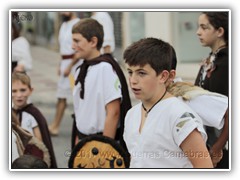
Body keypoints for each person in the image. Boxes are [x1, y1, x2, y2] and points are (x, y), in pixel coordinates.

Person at [123, 37, 213, 168]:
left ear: (164, 76)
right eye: (130, 72)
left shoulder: (180, 117)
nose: (133, 80)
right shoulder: (131, 115)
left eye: (141, 73)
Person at [71, 18, 131, 151]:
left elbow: (113, 112)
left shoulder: (106, 68)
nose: (72, 46)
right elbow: (79, 112)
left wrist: (104, 150)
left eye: (77, 41)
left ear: (93, 41)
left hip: (100, 144)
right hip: (83, 142)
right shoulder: (80, 70)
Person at [194, 12, 229, 168]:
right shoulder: (212, 59)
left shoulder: (227, 63)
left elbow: (230, 109)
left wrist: (217, 147)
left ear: (220, 31)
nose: (198, 32)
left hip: (222, 146)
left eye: (204, 27)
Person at [12, 72, 57, 168]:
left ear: (30, 90)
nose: (19, 95)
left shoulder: (33, 114)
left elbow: (39, 143)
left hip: (29, 160)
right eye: (14, 91)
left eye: (23, 90)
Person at [48, 12, 80, 136]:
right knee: (61, 95)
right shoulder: (64, 25)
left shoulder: (77, 24)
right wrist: (60, 64)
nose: (62, 12)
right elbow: (63, 48)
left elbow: (79, 48)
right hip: (65, 64)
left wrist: (70, 66)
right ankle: (55, 125)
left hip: (74, 65)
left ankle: (57, 126)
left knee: (76, 96)